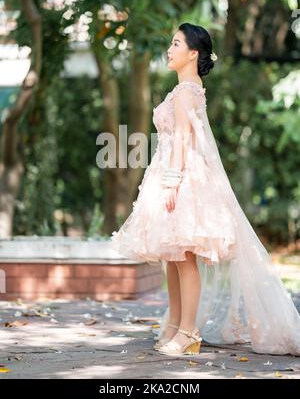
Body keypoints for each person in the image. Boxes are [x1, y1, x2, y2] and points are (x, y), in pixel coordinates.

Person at [111, 22, 300, 357]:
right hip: (174, 169)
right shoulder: (186, 87)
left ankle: (188, 331)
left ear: (193, 53)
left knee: (183, 258)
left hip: (182, 175)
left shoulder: (186, 91)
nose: (169, 50)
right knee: (173, 256)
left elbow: (184, 138)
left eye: (176, 44)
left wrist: (172, 182)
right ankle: (174, 325)